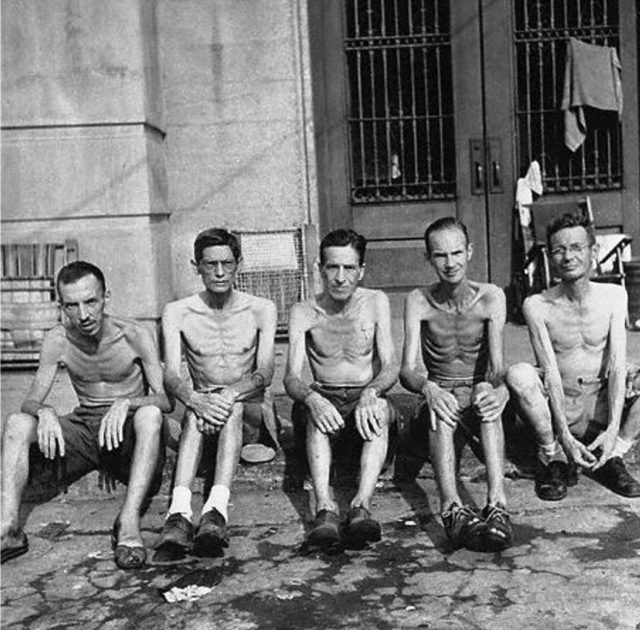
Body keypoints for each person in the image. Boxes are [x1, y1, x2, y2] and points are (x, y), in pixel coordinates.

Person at [1, 261, 169, 569]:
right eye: (72, 305)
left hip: (127, 431)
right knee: (17, 422)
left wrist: (127, 404)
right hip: (85, 428)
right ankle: (8, 528)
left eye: (90, 301)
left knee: (150, 415)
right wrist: (46, 411)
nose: (83, 314)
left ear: (106, 296)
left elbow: (164, 400)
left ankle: (128, 524)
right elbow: (30, 402)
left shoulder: (134, 334)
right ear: (61, 306)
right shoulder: (59, 339)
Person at [156, 228, 277, 559]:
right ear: (197, 266)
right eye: (210, 265)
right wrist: (196, 399)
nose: (220, 272)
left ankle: (216, 510)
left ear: (239, 263)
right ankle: (179, 513)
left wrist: (227, 396)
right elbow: (170, 375)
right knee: (197, 406)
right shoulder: (178, 311)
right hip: (203, 412)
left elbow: (264, 374)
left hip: (247, 413)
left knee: (232, 405)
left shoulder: (261, 309)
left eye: (226, 263)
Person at [507, 212, 640, 501]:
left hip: (601, 404)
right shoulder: (538, 305)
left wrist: (614, 427)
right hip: (562, 407)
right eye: (559, 250)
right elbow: (550, 371)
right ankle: (553, 458)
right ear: (551, 257)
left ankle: (612, 455)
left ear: (593, 251)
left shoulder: (614, 296)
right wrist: (564, 436)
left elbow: (617, 365)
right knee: (518, 374)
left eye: (577, 247)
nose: (568, 257)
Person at [398, 217, 512, 552]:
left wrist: (494, 389)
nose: (450, 263)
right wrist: (429, 389)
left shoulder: (491, 297)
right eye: (440, 255)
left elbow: (497, 367)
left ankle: (497, 505)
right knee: (441, 406)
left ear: (470, 251)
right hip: (441, 391)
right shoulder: (419, 300)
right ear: (428, 258)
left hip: (476, 391)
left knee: (487, 401)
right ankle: (452, 509)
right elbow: (407, 371)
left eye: (457, 253)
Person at [284, 229, 399, 550]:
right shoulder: (304, 311)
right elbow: (291, 377)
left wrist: (372, 392)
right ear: (320, 267)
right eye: (332, 267)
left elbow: (390, 365)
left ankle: (361, 506)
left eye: (349, 268)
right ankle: (325, 508)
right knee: (314, 414)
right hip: (326, 398)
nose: (339, 277)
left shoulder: (376, 302)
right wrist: (312, 397)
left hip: (365, 398)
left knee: (378, 410)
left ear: (361, 270)